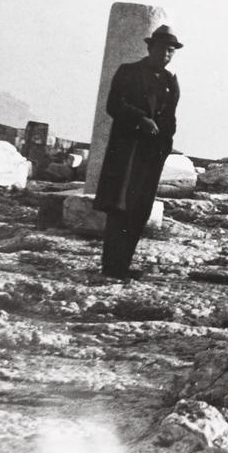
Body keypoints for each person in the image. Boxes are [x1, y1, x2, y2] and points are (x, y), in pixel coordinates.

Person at [93, 24, 183, 279]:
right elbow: (114, 105)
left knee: (139, 209)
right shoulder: (129, 72)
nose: (166, 54)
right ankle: (111, 266)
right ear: (150, 47)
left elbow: (170, 118)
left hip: (150, 155)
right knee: (120, 207)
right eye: (163, 49)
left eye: (171, 51)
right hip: (127, 151)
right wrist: (141, 119)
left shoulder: (170, 81)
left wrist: (165, 147)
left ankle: (124, 265)